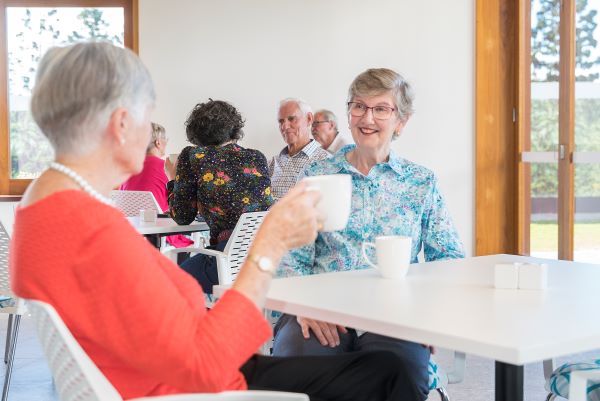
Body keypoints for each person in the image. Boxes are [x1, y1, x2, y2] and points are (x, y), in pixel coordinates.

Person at [10, 42, 422, 401]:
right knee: (390, 374)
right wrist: (268, 247)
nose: (155, 136)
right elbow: (205, 363)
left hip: (177, 372)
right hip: (200, 387)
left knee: (382, 368)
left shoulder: (42, 209)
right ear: (121, 123)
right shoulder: (90, 230)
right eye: (147, 116)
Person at [272, 68, 465, 401]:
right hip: (321, 309)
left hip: (393, 315)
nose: (368, 117)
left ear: (401, 121)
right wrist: (303, 305)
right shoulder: (317, 174)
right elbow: (289, 252)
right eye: (359, 106)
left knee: (400, 369)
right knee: (298, 366)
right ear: (348, 114)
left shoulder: (420, 182)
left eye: (381, 109)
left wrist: (425, 317)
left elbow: (448, 258)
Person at [166, 99, 272, 294]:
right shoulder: (257, 157)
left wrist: (173, 179)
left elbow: (181, 216)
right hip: (265, 259)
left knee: (168, 286)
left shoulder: (193, 157)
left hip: (227, 262)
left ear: (197, 132)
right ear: (234, 129)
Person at [120, 122, 193, 248]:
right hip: (163, 233)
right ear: (158, 143)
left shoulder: (129, 168)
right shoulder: (165, 168)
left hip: (132, 232)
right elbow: (182, 201)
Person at [269, 98, 329, 200]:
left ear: (309, 119)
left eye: (291, 119)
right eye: (281, 121)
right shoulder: (272, 163)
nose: (285, 126)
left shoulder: (326, 162)